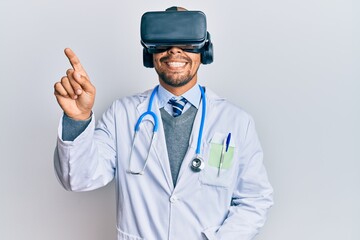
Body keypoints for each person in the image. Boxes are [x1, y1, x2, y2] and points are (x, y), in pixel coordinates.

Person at [53, 6, 273, 240]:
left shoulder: (236, 121)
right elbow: (77, 179)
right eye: (163, 43)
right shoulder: (122, 114)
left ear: (205, 51)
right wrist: (77, 118)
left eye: (186, 43)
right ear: (149, 54)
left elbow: (255, 199)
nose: (174, 51)